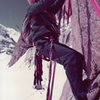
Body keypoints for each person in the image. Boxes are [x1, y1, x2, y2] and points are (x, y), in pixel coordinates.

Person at [21, 0, 99, 100]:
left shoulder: (47, 11)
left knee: (78, 57)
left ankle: (81, 87)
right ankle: (82, 96)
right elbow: (47, 2)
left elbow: (57, 3)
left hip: (48, 42)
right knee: (71, 58)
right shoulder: (32, 9)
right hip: (43, 44)